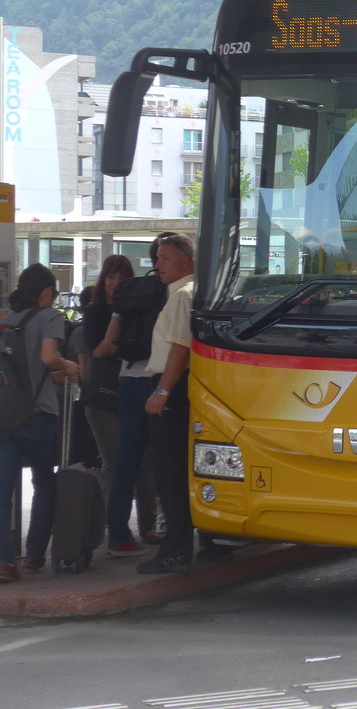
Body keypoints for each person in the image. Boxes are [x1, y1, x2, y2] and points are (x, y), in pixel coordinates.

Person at [0, 263, 81, 583]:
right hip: (39, 415)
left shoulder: (6, 320)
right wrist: (69, 364)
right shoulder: (50, 317)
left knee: (2, 490)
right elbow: (48, 359)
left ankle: (5, 562)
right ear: (47, 292)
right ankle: (35, 554)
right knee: (44, 484)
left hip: (5, 417)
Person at [138, 232, 213, 573]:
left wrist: (163, 392)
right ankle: (208, 542)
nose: (158, 264)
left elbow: (180, 348)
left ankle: (176, 548)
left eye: (164, 258)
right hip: (182, 387)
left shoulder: (183, 295)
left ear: (185, 260)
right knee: (186, 470)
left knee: (170, 473)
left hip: (173, 387)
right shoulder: (187, 293)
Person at [83, 254, 160, 546]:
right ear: (102, 280)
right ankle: (115, 529)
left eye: (121, 278)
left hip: (130, 386)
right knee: (119, 463)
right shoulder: (97, 311)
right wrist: (118, 338)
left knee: (142, 462)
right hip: (105, 396)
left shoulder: (141, 306)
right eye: (110, 277)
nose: (115, 284)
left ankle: (147, 525)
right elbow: (97, 351)